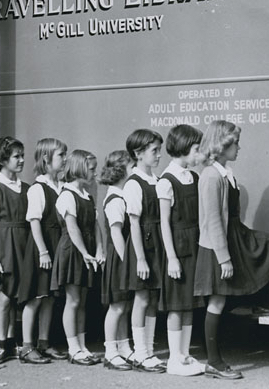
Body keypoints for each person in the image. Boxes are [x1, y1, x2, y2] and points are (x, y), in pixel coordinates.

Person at [194, 121, 269, 380]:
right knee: (217, 299)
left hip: (235, 235)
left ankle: (258, 301)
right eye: (235, 142)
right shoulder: (211, 176)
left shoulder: (224, 172)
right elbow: (213, 220)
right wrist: (223, 258)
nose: (239, 147)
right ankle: (213, 361)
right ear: (222, 145)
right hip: (218, 244)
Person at [158, 124, 205, 376]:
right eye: (196, 149)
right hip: (178, 247)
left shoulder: (193, 177)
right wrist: (172, 258)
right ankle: (173, 358)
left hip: (193, 243)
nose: (199, 154)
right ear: (183, 148)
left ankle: (185, 355)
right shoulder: (166, 181)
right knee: (177, 305)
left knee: (189, 304)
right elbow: (164, 222)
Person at [18, 137, 68, 364]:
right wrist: (43, 252)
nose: (65, 159)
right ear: (46, 159)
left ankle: (44, 343)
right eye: (60, 155)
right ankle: (27, 347)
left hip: (57, 244)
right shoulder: (37, 188)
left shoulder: (61, 187)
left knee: (49, 298)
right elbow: (34, 221)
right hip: (42, 247)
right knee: (36, 297)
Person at [52, 149, 103, 366]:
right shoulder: (67, 195)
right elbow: (72, 229)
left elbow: (96, 225)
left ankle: (82, 346)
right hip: (73, 251)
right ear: (80, 168)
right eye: (91, 169)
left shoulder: (87, 196)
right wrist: (84, 253)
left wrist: (100, 249)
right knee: (72, 301)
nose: (95, 173)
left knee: (82, 301)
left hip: (87, 252)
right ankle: (73, 348)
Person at [0, 136, 30, 365]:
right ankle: (1, 344)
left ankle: (12, 342)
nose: (21, 160)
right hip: (3, 247)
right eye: (16, 157)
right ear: (2, 160)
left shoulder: (26, 188)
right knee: (3, 297)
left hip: (22, 244)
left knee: (14, 297)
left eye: (22, 155)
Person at [123, 128, 166, 373]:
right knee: (141, 298)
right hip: (144, 247)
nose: (159, 155)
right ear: (138, 154)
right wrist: (140, 258)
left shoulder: (156, 180)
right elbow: (134, 223)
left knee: (152, 299)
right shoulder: (134, 183)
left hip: (156, 244)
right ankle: (140, 353)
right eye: (154, 151)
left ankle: (148, 350)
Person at [98, 150, 135, 371]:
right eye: (132, 168)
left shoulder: (121, 195)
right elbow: (116, 234)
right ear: (121, 171)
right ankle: (110, 351)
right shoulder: (114, 200)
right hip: (119, 258)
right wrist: (127, 263)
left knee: (124, 306)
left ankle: (124, 346)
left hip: (124, 258)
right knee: (117, 307)